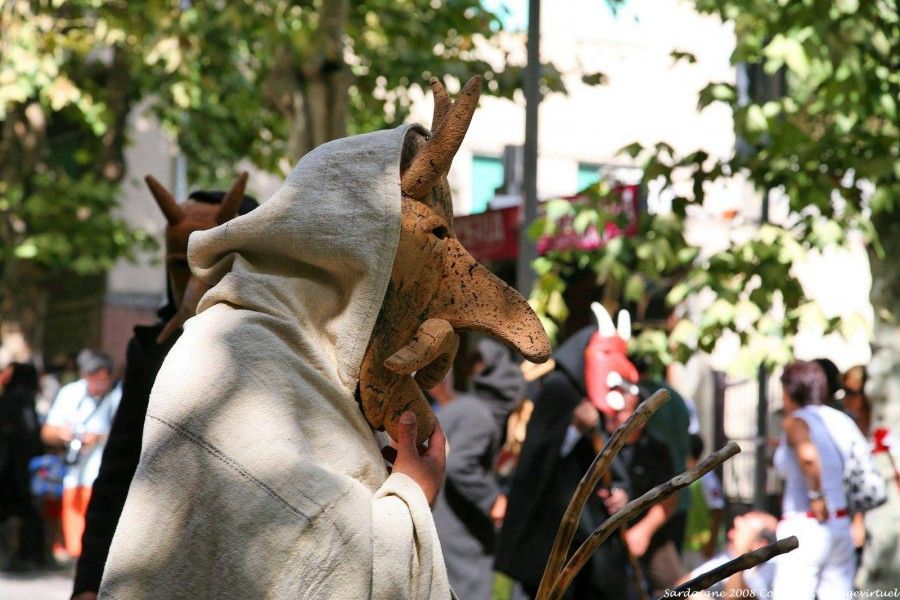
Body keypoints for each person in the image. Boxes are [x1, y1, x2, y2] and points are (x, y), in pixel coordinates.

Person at [71, 186, 258, 600]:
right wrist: (89, 580)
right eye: (181, 263)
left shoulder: (280, 346)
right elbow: (120, 467)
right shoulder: (150, 349)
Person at [495, 326, 632, 599]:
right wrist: (573, 430)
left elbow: (610, 460)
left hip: (591, 535)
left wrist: (620, 490)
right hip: (551, 533)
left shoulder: (600, 395)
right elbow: (537, 458)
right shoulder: (558, 389)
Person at [432, 338, 524, 600]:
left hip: (445, 524)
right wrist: (492, 499)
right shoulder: (481, 417)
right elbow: (460, 466)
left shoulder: (465, 408)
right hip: (458, 532)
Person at [772, 360, 858, 599]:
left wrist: (817, 496)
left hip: (806, 524)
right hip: (841, 524)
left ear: (791, 390)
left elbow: (808, 456)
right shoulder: (842, 420)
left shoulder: (797, 420)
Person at [40, 350, 121, 558]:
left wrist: (99, 437)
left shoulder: (119, 395)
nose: (97, 387)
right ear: (85, 376)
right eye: (93, 381)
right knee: (76, 540)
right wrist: (63, 434)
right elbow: (47, 433)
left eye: (103, 381)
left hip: (105, 477)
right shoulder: (70, 393)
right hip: (74, 476)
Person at [609, 388, 685, 597]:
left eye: (623, 410)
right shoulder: (602, 442)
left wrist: (644, 531)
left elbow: (670, 498)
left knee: (675, 587)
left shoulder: (656, 449)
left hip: (651, 534)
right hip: (607, 537)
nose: (615, 414)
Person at [0, 361, 44, 568]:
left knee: (13, 509)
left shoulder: (13, 400)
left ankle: (15, 553)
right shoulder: (25, 400)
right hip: (20, 465)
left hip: (12, 466)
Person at [678, 510, 778, 598]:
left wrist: (741, 554)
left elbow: (735, 597)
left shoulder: (773, 569)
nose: (730, 534)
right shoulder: (729, 557)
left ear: (761, 545)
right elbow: (682, 585)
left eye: (740, 531)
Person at [682, 434, 725, 569]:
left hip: (703, 549)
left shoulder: (706, 478)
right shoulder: (683, 476)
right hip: (686, 546)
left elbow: (717, 510)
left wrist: (710, 544)